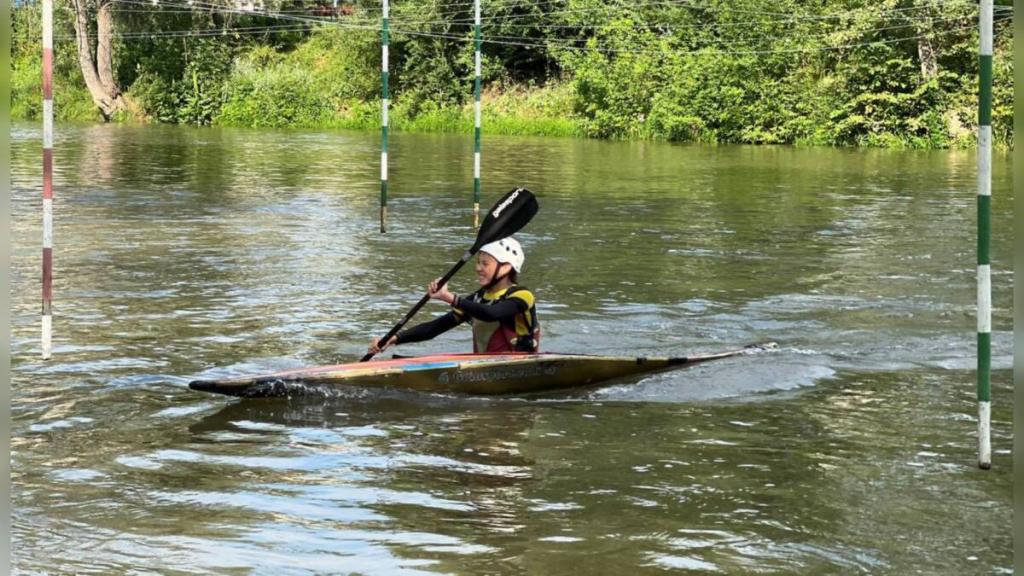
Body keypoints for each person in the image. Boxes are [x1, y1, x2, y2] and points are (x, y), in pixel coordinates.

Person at [368, 237, 540, 355]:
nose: (478, 268)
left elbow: (491, 314)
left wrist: (449, 297)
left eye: (485, 263)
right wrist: (395, 339)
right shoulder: (477, 299)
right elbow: (436, 327)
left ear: (506, 267)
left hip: (519, 362)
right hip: (483, 365)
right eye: (478, 262)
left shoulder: (522, 296)